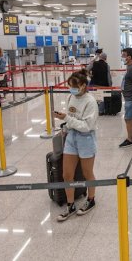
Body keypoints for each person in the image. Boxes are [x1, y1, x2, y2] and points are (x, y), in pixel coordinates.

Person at [54, 69, 99, 222]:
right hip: (71, 137)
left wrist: (67, 118)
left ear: (84, 85)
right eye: (70, 86)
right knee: (67, 174)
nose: (71, 89)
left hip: (86, 138)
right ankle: (70, 204)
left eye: (74, 86)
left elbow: (87, 126)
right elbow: (71, 118)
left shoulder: (90, 102)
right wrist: (65, 125)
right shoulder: (70, 97)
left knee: (87, 173)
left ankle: (91, 200)